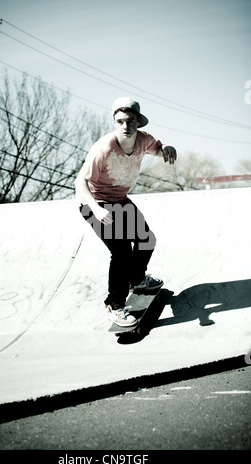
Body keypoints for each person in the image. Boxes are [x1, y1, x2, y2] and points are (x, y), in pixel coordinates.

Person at [75, 97, 177, 327]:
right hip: (94, 203)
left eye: (130, 121)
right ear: (114, 122)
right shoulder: (104, 148)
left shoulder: (144, 140)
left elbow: (159, 150)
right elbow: (79, 183)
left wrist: (166, 149)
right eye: (120, 121)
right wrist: (96, 209)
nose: (125, 127)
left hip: (120, 200)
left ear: (138, 122)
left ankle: (137, 279)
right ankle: (115, 305)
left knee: (146, 240)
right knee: (121, 252)